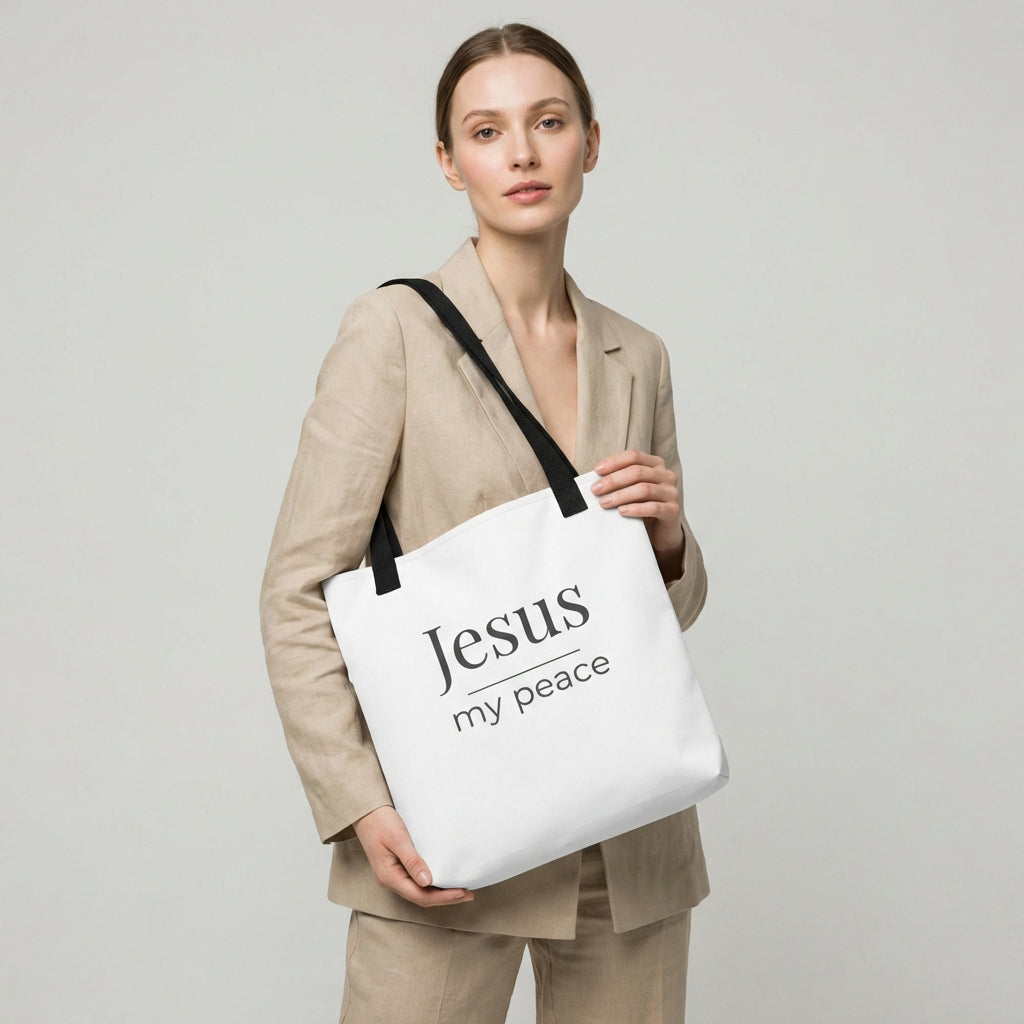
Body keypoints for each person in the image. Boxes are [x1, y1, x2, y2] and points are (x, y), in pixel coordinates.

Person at [260, 23, 709, 1024]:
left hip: (627, 848)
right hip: (448, 833)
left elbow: (657, 611)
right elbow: (298, 588)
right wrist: (361, 804)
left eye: (547, 122)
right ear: (448, 160)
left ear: (590, 141)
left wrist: (669, 540)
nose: (520, 152)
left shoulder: (637, 353)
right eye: (486, 129)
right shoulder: (393, 333)